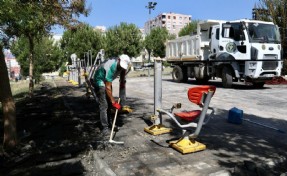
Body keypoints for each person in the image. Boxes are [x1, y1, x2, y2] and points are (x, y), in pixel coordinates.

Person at [93, 54, 131, 138]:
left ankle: (110, 124)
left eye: (123, 67)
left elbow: (122, 79)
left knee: (109, 104)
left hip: (106, 82)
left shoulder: (122, 67)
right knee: (104, 105)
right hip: (99, 80)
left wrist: (122, 86)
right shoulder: (111, 66)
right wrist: (114, 102)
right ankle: (105, 127)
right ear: (118, 60)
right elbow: (107, 86)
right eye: (120, 66)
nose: (121, 68)